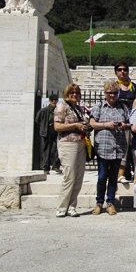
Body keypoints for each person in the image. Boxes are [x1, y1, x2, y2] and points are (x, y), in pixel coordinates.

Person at [89, 80, 131, 216]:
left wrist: (124, 125)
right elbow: (92, 123)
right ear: (105, 93)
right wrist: (106, 125)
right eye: (109, 93)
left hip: (118, 147)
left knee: (113, 177)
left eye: (114, 93)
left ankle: (110, 202)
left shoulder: (123, 107)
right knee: (102, 177)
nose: (112, 95)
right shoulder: (99, 106)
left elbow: (129, 123)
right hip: (103, 147)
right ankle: (99, 202)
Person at [53, 84, 90, 218]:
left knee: (79, 176)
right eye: (72, 92)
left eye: (77, 93)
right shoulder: (61, 106)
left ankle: (72, 206)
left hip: (80, 143)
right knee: (69, 176)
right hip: (68, 143)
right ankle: (62, 207)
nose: (74, 95)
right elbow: (57, 126)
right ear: (67, 94)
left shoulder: (78, 108)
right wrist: (75, 125)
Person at [114, 61, 136, 182]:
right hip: (119, 120)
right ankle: (120, 173)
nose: (122, 72)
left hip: (131, 120)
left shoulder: (133, 86)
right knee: (121, 148)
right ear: (116, 72)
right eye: (119, 69)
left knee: (132, 147)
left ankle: (134, 173)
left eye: (125, 69)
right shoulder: (114, 86)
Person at [35, 93, 61, 174]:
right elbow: (37, 120)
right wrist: (43, 126)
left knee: (57, 149)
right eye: (52, 100)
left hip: (56, 132)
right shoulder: (44, 110)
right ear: (50, 101)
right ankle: (46, 168)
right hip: (46, 132)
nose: (54, 101)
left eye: (55, 100)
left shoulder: (58, 111)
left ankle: (56, 166)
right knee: (46, 150)